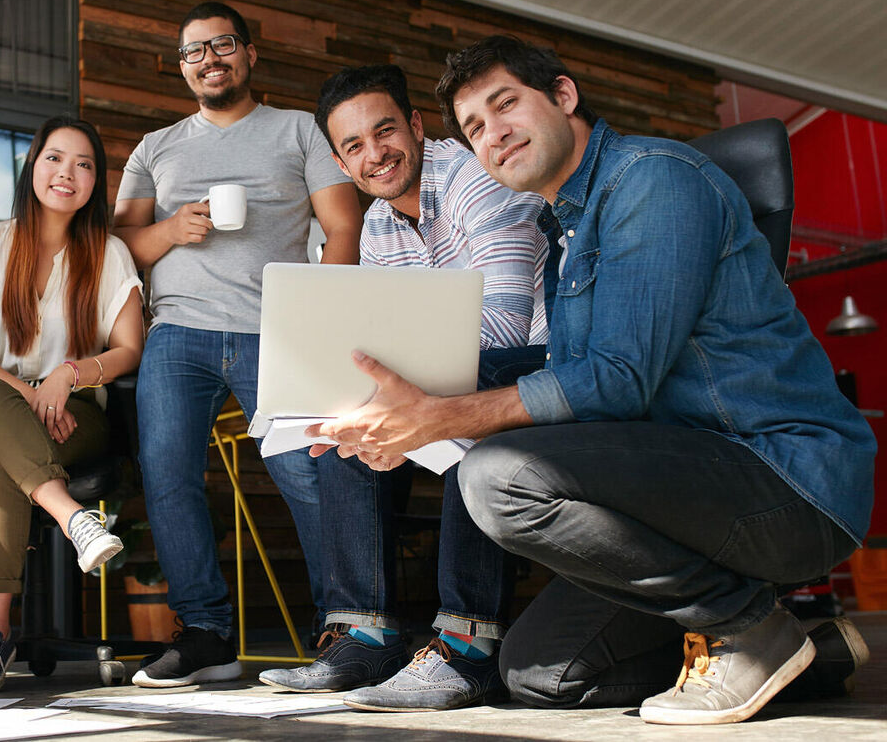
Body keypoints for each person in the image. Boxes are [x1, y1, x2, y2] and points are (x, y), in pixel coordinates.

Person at [315, 35, 876, 725]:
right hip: (677, 499)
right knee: (541, 675)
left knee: (495, 476)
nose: (493, 136)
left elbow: (619, 381)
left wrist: (445, 417)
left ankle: (746, 623)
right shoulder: (565, 231)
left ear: (563, 94)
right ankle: (802, 653)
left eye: (505, 106)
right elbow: (574, 395)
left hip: (782, 479)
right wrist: (407, 434)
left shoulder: (654, 179)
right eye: (476, 128)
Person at [113, 1, 396, 689]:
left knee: (308, 469)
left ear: (249, 54)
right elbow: (119, 244)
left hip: (276, 330)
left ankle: (349, 625)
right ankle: (206, 633)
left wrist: (316, 320)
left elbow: (343, 229)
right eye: (194, 52)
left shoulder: (299, 130)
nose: (210, 60)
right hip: (176, 331)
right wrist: (171, 231)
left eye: (223, 45)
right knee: (168, 472)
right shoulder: (156, 147)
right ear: (182, 68)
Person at [258, 64, 552, 703]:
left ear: (416, 126)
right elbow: (377, 344)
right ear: (341, 160)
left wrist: (409, 403)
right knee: (346, 417)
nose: (375, 155)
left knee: (454, 391)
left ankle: (468, 646)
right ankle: (363, 637)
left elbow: (503, 326)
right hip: (452, 376)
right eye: (353, 147)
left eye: (384, 131)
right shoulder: (377, 226)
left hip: (535, 370)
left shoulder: (478, 175)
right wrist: (374, 406)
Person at [0, 116, 143, 695]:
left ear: (95, 182)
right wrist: (27, 393)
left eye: (83, 165)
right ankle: (72, 517)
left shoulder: (108, 253)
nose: (67, 173)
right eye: (55, 158)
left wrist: (70, 375)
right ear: (34, 167)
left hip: (71, 417)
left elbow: (129, 348)